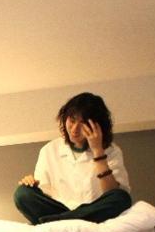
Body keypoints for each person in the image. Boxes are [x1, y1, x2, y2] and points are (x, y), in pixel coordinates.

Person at [13, 92, 132, 225]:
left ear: (97, 126)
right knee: (22, 194)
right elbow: (44, 193)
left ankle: (58, 221)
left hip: (94, 211)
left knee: (121, 198)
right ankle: (68, 219)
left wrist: (98, 151)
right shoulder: (49, 150)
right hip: (57, 210)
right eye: (72, 120)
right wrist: (31, 183)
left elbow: (111, 193)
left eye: (83, 124)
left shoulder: (111, 151)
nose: (74, 129)